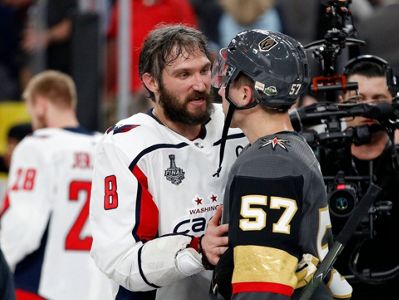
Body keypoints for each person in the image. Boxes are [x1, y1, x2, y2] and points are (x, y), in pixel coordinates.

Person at [89, 24, 247, 299]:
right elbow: (119, 258)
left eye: (204, 70)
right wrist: (196, 250)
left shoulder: (239, 124)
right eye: (184, 74)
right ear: (151, 82)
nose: (200, 85)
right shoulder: (125, 145)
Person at [210, 29, 352, 299]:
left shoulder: (268, 162)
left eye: (227, 78)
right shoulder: (293, 147)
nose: (219, 88)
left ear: (244, 93)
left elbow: (263, 289)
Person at [0, 70, 111, 299]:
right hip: (95, 286)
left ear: (40, 105)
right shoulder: (107, 145)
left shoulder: (37, 146)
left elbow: (22, 225)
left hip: (40, 284)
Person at [332, 55, 399, 299]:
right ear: (342, 102)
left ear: (393, 102)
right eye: (358, 100)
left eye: (378, 100)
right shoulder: (319, 159)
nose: (368, 108)